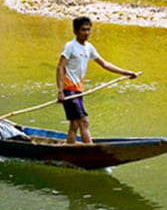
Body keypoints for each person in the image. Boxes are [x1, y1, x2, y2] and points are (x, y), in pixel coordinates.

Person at [57, 16, 138, 144]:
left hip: (78, 90)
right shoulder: (70, 46)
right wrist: (60, 91)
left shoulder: (89, 48)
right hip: (69, 90)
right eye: (83, 30)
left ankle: (69, 148)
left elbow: (104, 64)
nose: (86, 33)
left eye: (88, 30)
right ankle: (90, 149)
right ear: (75, 31)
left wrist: (126, 73)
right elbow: (60, 67)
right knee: (84, 121)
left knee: (75, 124)